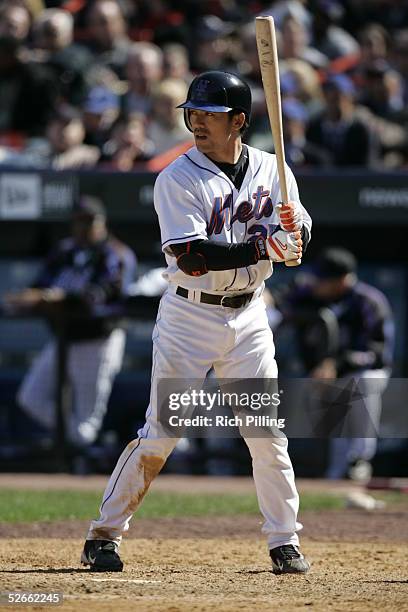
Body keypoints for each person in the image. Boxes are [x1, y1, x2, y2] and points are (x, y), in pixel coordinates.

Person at [81, 70, 312, 575]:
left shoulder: (275, 169)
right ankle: (103, 535)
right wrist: (261, 246)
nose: (198, 122)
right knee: (164, 431)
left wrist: (296, 234)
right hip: (190, 315)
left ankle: (283, 541)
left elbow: (297, 227)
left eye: (210, 114)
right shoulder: (176, 176)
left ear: (239, 121)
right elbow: (190, 257)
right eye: (194, 113)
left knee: (266, 432)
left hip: (251, 315)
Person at [4, 197, 136, 451]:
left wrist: (61, 298)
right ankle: (73, 441)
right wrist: (33, 297)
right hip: (64, 337)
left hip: (98, 340)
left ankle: (82, 461)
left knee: (87, 423)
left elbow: (103, 293)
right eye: (79, 222)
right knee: (30, 397)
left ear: (102, 222)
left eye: (89, 222)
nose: (84, 228)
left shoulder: (115, 253)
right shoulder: (65, 251)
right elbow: (40, 283)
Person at [276, 248, 394, 480]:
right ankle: (336, 473)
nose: (317, 284)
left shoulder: (369, 301)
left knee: (360, 383)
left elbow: (377, 354)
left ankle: (359, 459)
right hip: (318, 375)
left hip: (361, 372)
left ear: (342, 280)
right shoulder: (308, 293)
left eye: (323, 280)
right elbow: (282, 299)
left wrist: (336, 365)